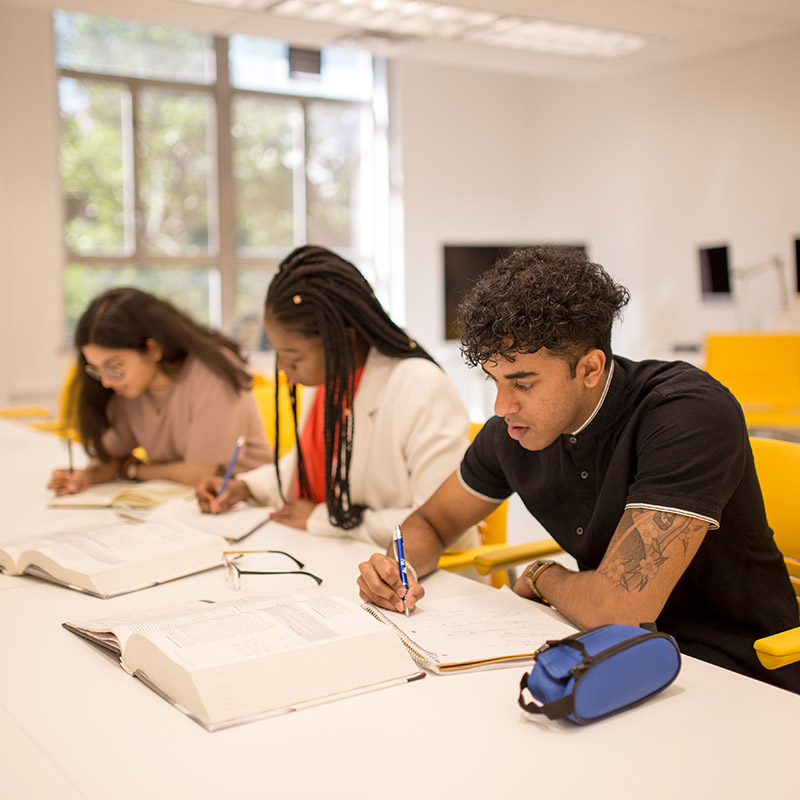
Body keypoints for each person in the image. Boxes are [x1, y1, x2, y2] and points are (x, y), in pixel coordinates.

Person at [357, 245, 800, 693]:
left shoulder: (686, 414)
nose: (502, 406)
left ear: (590, 368)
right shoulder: (512, 431)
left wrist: (542, 575)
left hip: (739, 671)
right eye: (494, 381)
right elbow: (434, 521)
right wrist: (400, 567)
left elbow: (618, 610)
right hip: (612, 654)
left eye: (523, 384)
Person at [197, 245, 476, 551]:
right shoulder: (326, 383)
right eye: (278, 353)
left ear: (342, 338)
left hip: (418, 580)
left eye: (293, 357)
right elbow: (315, 464)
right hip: (331, 558)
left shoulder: (421, 387)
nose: (281, 368)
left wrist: (323, 519)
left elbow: (443, 524)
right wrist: (245, 487)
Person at [48, 287, 271, 495]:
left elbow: (198, 474)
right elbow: (112, 458)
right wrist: (86, 476)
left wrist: (135, 471)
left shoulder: (212, 372)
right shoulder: (131, 390)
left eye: (114, 367)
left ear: (152, 349)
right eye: (97, 369)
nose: (105, 381)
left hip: (249, 500)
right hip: (184, 502)